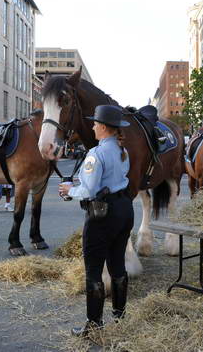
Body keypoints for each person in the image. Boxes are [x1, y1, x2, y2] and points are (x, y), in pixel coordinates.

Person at [58, 105, 133, 338]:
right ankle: (119, 318)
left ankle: (94, 325)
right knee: (118, 265)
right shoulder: (123, 151)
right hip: (124, 209)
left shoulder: (96, 154)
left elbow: (89, 189)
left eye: (94, 123)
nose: (91, 126)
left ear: (102, 127)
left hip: (103, 214)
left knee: (93, 271)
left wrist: (69, 190)